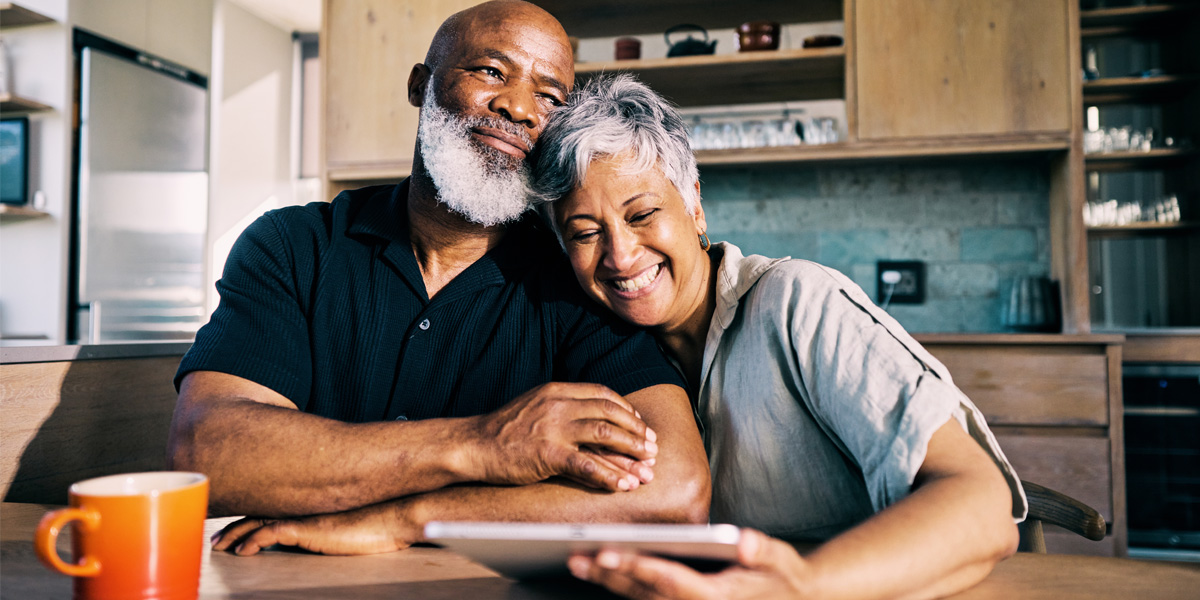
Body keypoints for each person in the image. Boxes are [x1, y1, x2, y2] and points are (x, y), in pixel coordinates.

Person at [167, 1, 709, 557]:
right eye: (491, 72)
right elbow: (205, 453)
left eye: (548, 97)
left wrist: (411, 518)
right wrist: (482, 444)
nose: (519, 107)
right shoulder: (293, 246)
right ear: (420, 86)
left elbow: (676, 489)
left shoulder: (576, 278)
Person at [529, 74, 1027, 600]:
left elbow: (981, 502)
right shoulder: (604, 355)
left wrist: (801, 587)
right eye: (585, 233)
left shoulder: (797, 302)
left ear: (694, 205)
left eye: (643, 214)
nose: (621, 256)